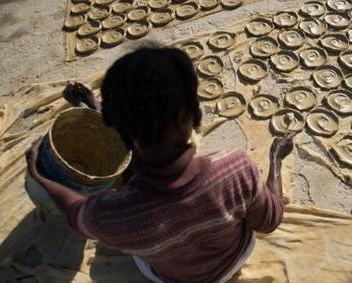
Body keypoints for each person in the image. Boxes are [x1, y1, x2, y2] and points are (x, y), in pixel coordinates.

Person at [26, 45, 294, 283]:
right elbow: (270, 221)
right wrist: (276, 158)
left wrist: (43, 178)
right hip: (231, 262)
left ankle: (100, 112)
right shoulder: (236, 168)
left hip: (170, 276)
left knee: (134, 182)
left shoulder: (113, 214)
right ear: (191, 115)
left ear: (118, 130)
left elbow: (75, 212)